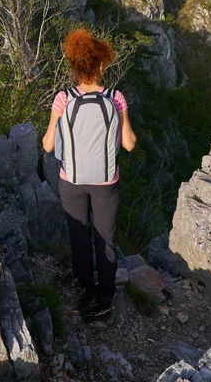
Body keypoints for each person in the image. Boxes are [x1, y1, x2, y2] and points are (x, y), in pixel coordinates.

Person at [42, 28, 136, 321]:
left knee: (79, 237)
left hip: (71, 180)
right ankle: (105, 299)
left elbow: (47, 144)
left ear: (74, 66)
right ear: (101, 65)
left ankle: (85, 292)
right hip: (106, 182)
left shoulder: (62, 99)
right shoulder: (116, 98)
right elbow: (129, 144)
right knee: (105, 239)